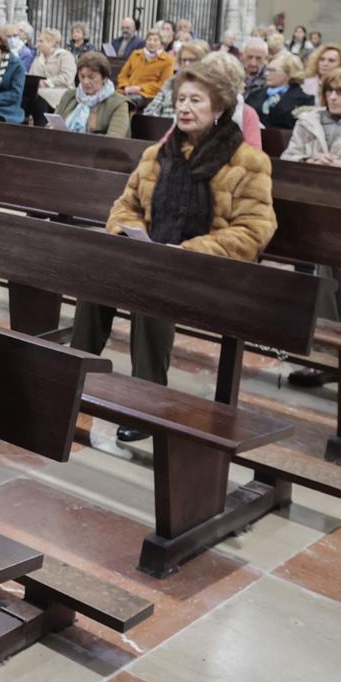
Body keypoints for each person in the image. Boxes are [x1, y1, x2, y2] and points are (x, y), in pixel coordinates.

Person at [71, 62, 275, 437]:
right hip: (155, 259)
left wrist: (189, 251)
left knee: (152, 289)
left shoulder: (248, 163)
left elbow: (255, 229)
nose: (184, 107)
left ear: (219, 108)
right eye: (181, 99)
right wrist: (124, 232)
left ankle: (148, 403)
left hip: (211, 272)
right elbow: (125, 204)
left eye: (196, 100)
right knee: (97, 275)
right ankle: (74, 379)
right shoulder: (157, 156)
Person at [56, 52, 132, 136]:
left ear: (104, 78)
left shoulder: (118, 103)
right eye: (82, 76)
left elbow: (114, 138)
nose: (85, 82)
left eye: (91, 77)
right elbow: (50, 126)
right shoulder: (69, 95)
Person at [145, 39, 211, 118]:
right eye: (184, 60)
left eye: (192, 60)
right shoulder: (171, 82)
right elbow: (151, 110)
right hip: (164, 126)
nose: (187, 64)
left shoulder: (210, 85)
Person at [246, 52, 308, 131]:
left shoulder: (304, 100)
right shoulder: (254, 95)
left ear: (289, 74)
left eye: (272, 70)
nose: (266, 74)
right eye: (267, 69)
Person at [115, 28, 175, 104]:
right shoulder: (136, 54)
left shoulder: (168, 60)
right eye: (149, 40)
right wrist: (126, 86)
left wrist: (140, 88)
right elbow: (123, 75)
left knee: (127, 102)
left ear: (161, 43)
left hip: (147, 95)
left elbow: (164, 84)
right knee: (110, 99)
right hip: (127, 90)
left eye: (155, 40)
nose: (151, 43)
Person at [30, 26, 76, 108]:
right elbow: (31, 76)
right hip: (40, 92)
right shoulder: (38, 59)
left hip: (62, 92)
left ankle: (41, 120)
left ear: (51, 43)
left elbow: (67, 77)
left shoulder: (65, 56)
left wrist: (47, 83)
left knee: (39, 96)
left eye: (41, 41)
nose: (37, 45)